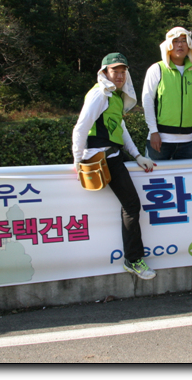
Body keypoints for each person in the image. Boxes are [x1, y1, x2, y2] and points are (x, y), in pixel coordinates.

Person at [72, 53, 157, 280]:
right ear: (104, 73)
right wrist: (78, 161)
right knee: (131, 205)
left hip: (114, 155)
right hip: (101, 159)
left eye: (122, 72)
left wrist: (137, 155)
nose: (119, 76)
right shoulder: (100, 94)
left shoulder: (115, 96)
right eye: (114, 71)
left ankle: (132, 259)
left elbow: (120, 129)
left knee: (130, 205)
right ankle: (133, 259)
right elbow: (81, 128)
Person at [142, 27, 192, 160]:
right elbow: (147, 101)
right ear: (168, 45)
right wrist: (153, 131)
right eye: (175, 41)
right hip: (160, 139)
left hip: (188, 142)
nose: (180, 45)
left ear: (189, 45)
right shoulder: (157, 69)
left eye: (184, 41)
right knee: (155, 173)